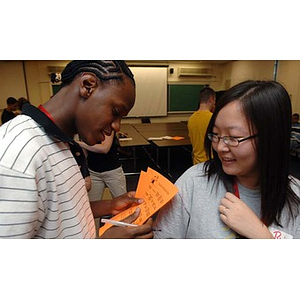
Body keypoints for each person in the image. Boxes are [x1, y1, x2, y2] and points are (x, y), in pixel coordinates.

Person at [0, 60, 153, 239]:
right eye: (115, 111)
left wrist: (111, 205)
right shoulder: (15, 157)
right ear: (87, 86)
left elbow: (63, 211)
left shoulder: (60, 142)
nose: (117, 127)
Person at [153, 80, 300, 239]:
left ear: (271, 137)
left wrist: (263, 238)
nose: (220, 147)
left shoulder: (296, 196)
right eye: (215, 134)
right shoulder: (194, 182)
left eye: (234, 137)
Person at [77, 131, 127, 200]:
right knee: (93, 204)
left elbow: (104, 148)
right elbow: (85, 153)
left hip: (112, 171)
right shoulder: (85, 128)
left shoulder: (107, 127)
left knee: (122, 202)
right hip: (93, 172)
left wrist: (78, 143)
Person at [187, 87, 216, 164]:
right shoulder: (213, 118)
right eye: (214, 101)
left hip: (196, 164)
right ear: (211, 99)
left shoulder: (191, 119)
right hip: (210, 163)